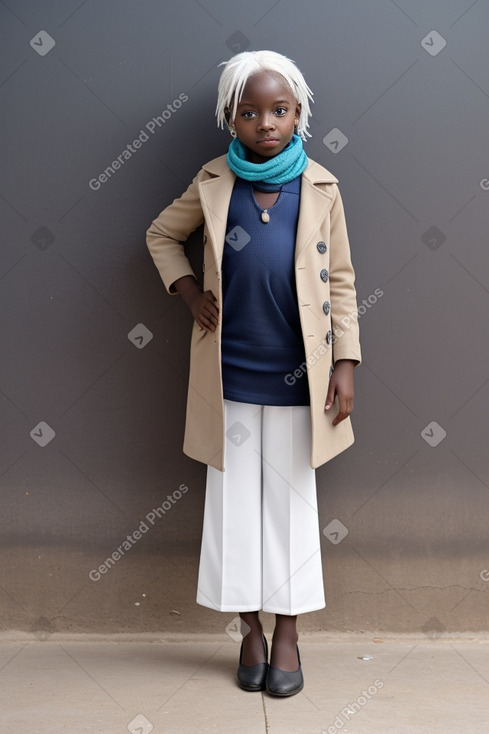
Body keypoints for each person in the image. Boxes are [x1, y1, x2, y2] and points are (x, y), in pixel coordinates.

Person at [146, 49, 361, 697]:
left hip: (300, 381)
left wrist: (345, 364)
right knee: (236, 510)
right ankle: (249, 630)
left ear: (298, 116)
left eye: (278, 110)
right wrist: (188, 292)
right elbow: (161, 234)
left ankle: (288, 635)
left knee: (291, 511)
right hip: (229, 377)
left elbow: (343, 281)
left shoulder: (321, 186)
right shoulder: (214, 180)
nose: (265, 122)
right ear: (229, 119)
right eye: (249, 112)